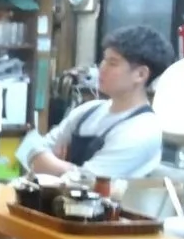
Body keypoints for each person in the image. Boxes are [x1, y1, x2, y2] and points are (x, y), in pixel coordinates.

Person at [19, 24, 174, 181]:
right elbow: (29, 150)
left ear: (140, 74)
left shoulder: (142, 130)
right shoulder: (88, 110)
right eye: (103, 60)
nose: (102, 68)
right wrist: (65, 169)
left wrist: (50, 164)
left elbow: (88, 182)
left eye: (112, 63)